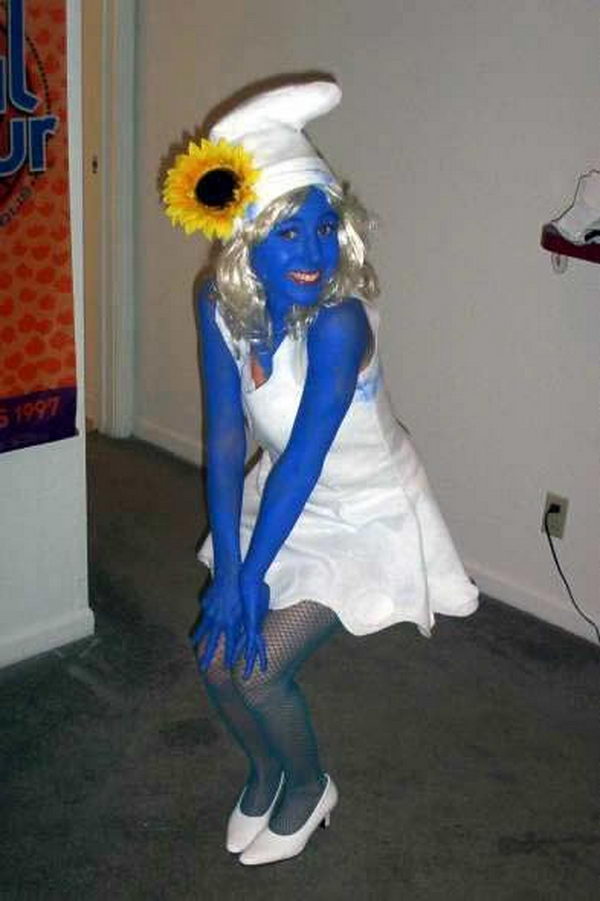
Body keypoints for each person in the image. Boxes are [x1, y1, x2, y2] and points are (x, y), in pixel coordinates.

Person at [162, 79, 478, 866]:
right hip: (284, 499)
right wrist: (230, 570)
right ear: (246, 239)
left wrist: (249, 579)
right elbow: (227, 437)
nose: (313, 253)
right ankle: (266, 770)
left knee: (258, 667)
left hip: (364, 511)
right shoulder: (217, 303)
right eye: (287, 231)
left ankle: (309, 784)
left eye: (325, 227)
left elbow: (306, 457)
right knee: (214, 658)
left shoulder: (340, 321)